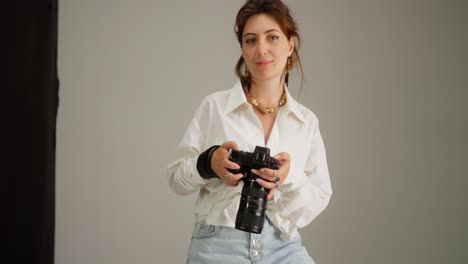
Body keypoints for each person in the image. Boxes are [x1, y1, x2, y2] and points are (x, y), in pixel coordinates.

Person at [167, 0, 332, 263]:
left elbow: (319, 196)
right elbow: (176, 178)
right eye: (251, 40)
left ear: (290, 45)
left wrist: (288, 176)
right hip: (218, 245)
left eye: (273, 37)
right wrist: (209, 163)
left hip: (283, 246)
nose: (261, 49)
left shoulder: (306, 122)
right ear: (243, 49)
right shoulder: (215, 107)